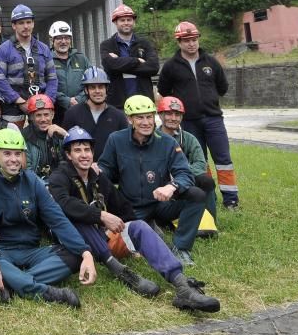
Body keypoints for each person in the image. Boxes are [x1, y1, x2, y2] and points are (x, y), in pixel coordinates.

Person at [48, 128, 221, 311]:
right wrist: (101, 215)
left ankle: (182, 286)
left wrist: (133, 237)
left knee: (139, 226)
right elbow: (63, 204)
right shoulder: (59, 177)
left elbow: (123, 207)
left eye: (87, 150)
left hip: (103, 238)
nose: (84, 155)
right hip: (75, 243)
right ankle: (122, 272)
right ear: (68, 155)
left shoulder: (98, 178)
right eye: (77, 150)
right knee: (76, 218)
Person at [0, 128, 96, 307]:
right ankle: (48, 293)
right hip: (0, 250)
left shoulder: (32, 180)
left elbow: (56, 218)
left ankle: (11, 283)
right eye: (7, 154)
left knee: (74, 255)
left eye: (18, 154)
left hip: (31, 250)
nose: (13, 159)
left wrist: (85, 252)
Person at [98, 95, 207, 267]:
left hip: (161, 203)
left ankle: (181, 248)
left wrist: (172, 186)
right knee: (110, 246)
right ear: (129, 119)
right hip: (130, 207)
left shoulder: (168, 142)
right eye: (140, 117)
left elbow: (185, 173)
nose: (146, 122)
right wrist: (98, 170)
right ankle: (149, 228)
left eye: (149, 116)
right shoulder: (116, 140)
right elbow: (106, 170)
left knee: (197, 195)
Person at [157, 21, 238, 210]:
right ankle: (209, 197)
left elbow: (222, 87)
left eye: (194, 39)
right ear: (179, 42)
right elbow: (164, 91)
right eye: (186, 40)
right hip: (189, 122)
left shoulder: (211, 62)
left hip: (213, 119)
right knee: (199, 161)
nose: (191, 44)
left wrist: (207, 100)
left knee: (223, 159)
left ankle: (231, 199)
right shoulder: (170, 66)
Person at [0, 4, 58, 124]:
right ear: (14, 25)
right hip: (13, 108)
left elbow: (52, 78)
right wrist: (19, 101)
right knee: (14, 140)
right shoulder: (4, 49)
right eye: (21, 23)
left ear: (33, 23)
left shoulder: (43, 49)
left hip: (41, 107)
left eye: (29, 22)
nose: (26, 26)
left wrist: (47, 101)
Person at [157, 96, 218, 219]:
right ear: (160, 115)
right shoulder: (153, 138)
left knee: (206, 180)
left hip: (183, 182)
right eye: (169, 114)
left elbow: (201, 164)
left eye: (177, 114)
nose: (173, 118)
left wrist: (180, 176)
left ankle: (210, 219)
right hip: (158, 184)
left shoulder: (189, 139)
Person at [100, 4, 159, 108]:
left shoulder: (145, 43)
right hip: (118, 105)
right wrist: (136, 60)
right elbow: (110, 66)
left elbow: (153, 67)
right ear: (115, 22)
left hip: (144, 103)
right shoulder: (107, 45)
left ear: (133, 22)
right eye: (122, 20)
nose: (126, 23)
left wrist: (120, 64)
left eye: (129, 20)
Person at [62, 66, 130, 154]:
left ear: (106, 89)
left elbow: (125, 149)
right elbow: (65, 148)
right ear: (86, 90)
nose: (97, 91)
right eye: (92, 87)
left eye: (101, 87)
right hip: (79, 167)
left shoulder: (119, 116)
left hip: (111, 167)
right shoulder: (72, 114)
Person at [47, 20, 90, 127]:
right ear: (52, 40)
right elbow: (45, 84)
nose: (63, 41)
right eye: (59, 38)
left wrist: (79, 99)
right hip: (57, 112)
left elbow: (91, 81)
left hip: (81, 109)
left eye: (67, 38)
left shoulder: (81, 58)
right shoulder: (46, 60)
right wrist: (66, 101)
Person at [21, 94, 68, 181]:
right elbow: (27, 171)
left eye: (46, 115)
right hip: (35, 185)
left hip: (58, 183)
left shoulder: (58, 133)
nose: (43, 119)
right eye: (38, 115)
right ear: (31, 117)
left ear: (52, 115)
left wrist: (65, 135)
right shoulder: (24, 137)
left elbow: (70, 161)